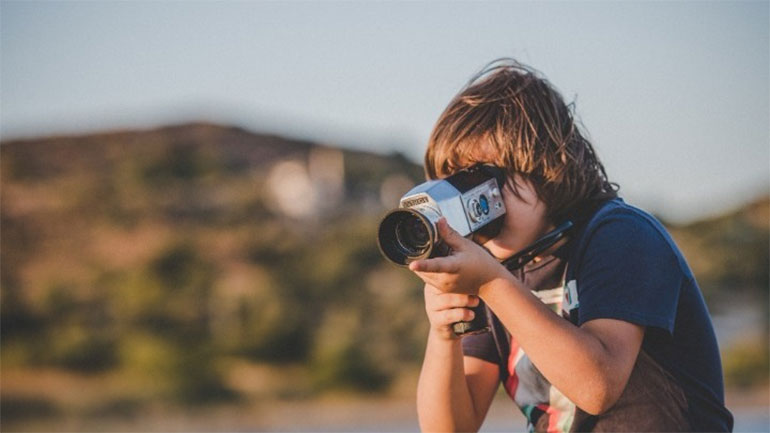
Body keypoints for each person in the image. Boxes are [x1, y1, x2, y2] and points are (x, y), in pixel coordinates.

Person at [409, 58, 733, 432]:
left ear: (548, 165)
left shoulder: (619, 235)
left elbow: (597, 387)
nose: (476, 203)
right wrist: (443, 334)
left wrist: (490, 283)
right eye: (458, 188)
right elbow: (451, 428)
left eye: (485, 180)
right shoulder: (494, 274)